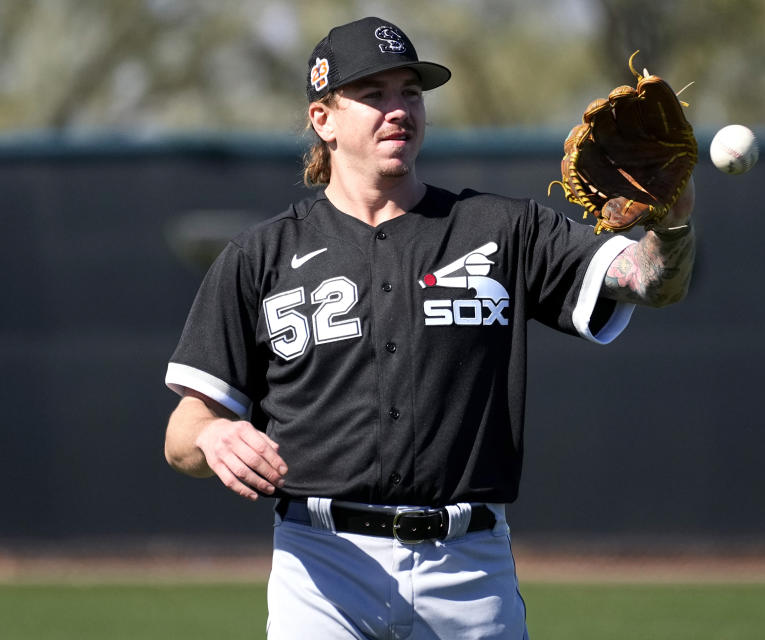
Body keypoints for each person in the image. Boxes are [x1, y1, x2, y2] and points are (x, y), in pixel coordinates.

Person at [163, 16, 695, 639]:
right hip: (321, 567)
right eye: (373, 93)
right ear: (323, 120)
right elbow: (183, 432)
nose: (398, 109)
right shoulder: (260, 256)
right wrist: (215, 436)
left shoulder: (502, 229)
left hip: (468, 568)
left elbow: (649, 281)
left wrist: (676, 220)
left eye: (410, 91)